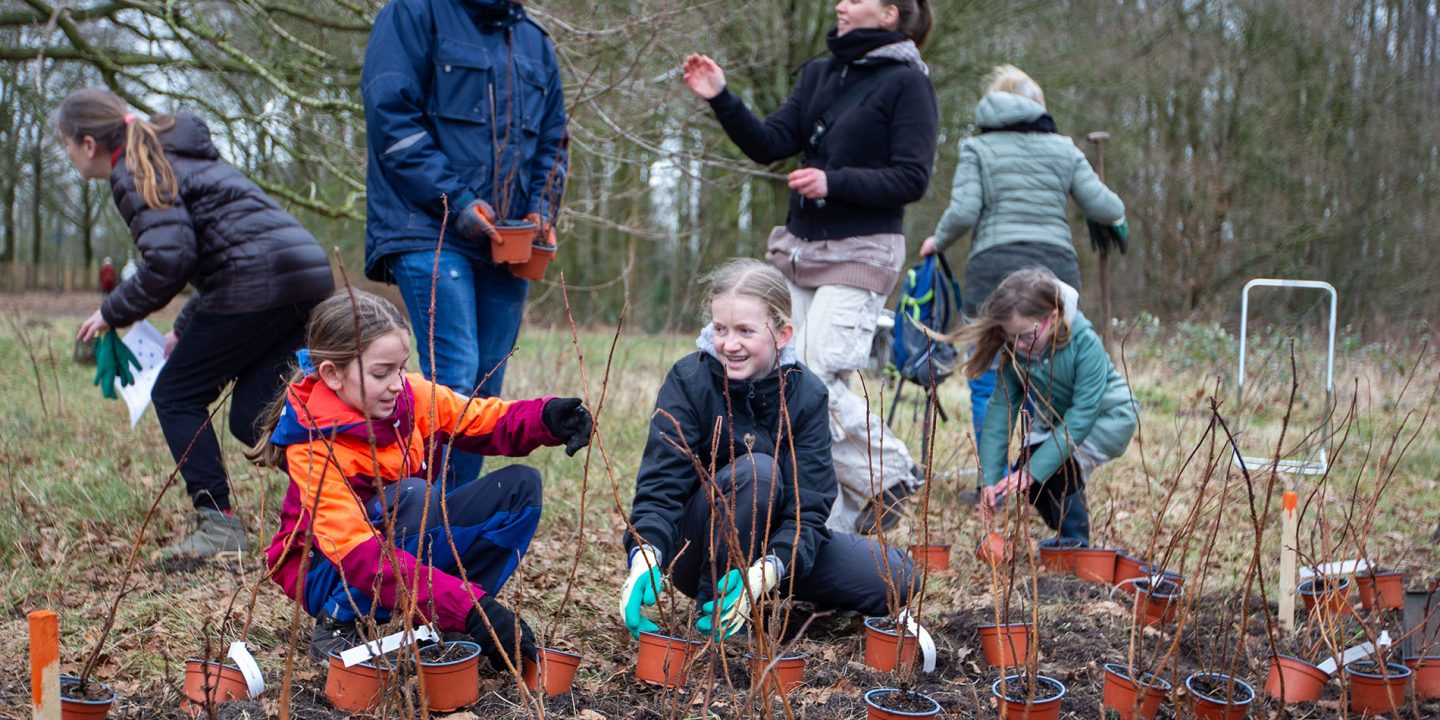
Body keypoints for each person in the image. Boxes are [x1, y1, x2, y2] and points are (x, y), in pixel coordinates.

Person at [682, 0, 938, 534]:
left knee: (816, 372)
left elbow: (912, 178)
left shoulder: (908, 83)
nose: (840, 4)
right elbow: (772, 144)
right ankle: (835, 525)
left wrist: (834, 181)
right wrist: (722, 98)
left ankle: (890, 472)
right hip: (801, 249)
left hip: (863, 251)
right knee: (782, 375)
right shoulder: (821, 72)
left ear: (890, 14)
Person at [59, 88, 335, 558]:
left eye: (65, 144)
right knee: (255, 417)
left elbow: (171, 259)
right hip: (303, 275)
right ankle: (350, 491)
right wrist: (186, 326)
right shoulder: (172, 156)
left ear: (88, 144)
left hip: (255, 283)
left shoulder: (134, 170)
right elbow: (215, 245)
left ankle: (218, 526)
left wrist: (111, 311)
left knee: (176, 393)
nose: (66, 155)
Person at [248, 290, 593, 666]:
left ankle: (454, 616)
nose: (398, 382)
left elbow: (483, 420)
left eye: (401, 366)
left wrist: (545, 418)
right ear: (332, 374)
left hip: (395, 539)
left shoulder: (410, 397)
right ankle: (339, 623)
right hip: (322, 568)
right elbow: (360, 556)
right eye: (382, 372)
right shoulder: (313, 447)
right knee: (412, 498)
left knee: (519, 489)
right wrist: (472, 609)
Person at [621, 259, 914, 640]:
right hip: (696, 549)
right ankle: (717, 611)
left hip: (773, 553)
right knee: (757, 473)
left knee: (897, 576)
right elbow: (661, 487)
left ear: (783, 333)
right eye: (720, 328)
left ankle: (756, 590)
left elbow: (809, 506)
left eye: (745, 330)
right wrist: (646, 553)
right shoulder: (689, 380)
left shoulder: (807, 394)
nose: (729, 343)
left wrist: (773, 566)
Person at [361, 0, 569, 487]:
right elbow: (392, 118)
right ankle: (416, 518)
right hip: (424, 225)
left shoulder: (535, 42)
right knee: (453, 376)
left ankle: (452, 524)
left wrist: (542, 206)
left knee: (483, 393)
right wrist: (457, 199)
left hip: (508, 239)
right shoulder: (414, 14)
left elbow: (554, 140)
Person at [921, 65, 1127, 444]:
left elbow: (964, 211)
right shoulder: (1064, 149)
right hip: (1054, 268)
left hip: (992, 266)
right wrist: (1116, 218)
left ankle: (993, 479)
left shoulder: (977, 149)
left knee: (987, 375)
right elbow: (1106, 206)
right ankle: (1039, 477)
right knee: (1049, 374)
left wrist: (938, 240)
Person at [954, 268, 1137, 545]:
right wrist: (990, 478)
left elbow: (1083, 414)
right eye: (1009, 336)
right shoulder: (1015, 352)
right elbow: (1000, 412)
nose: (1018, 344)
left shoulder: (1084, 342)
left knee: (1055, 467)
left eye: (1026, 335)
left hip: (1109, 418)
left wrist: (1033, 472)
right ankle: (1063, 527)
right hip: (1062, 421)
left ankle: (1076, 543)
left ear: (1051, 318)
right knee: (1031, 470)